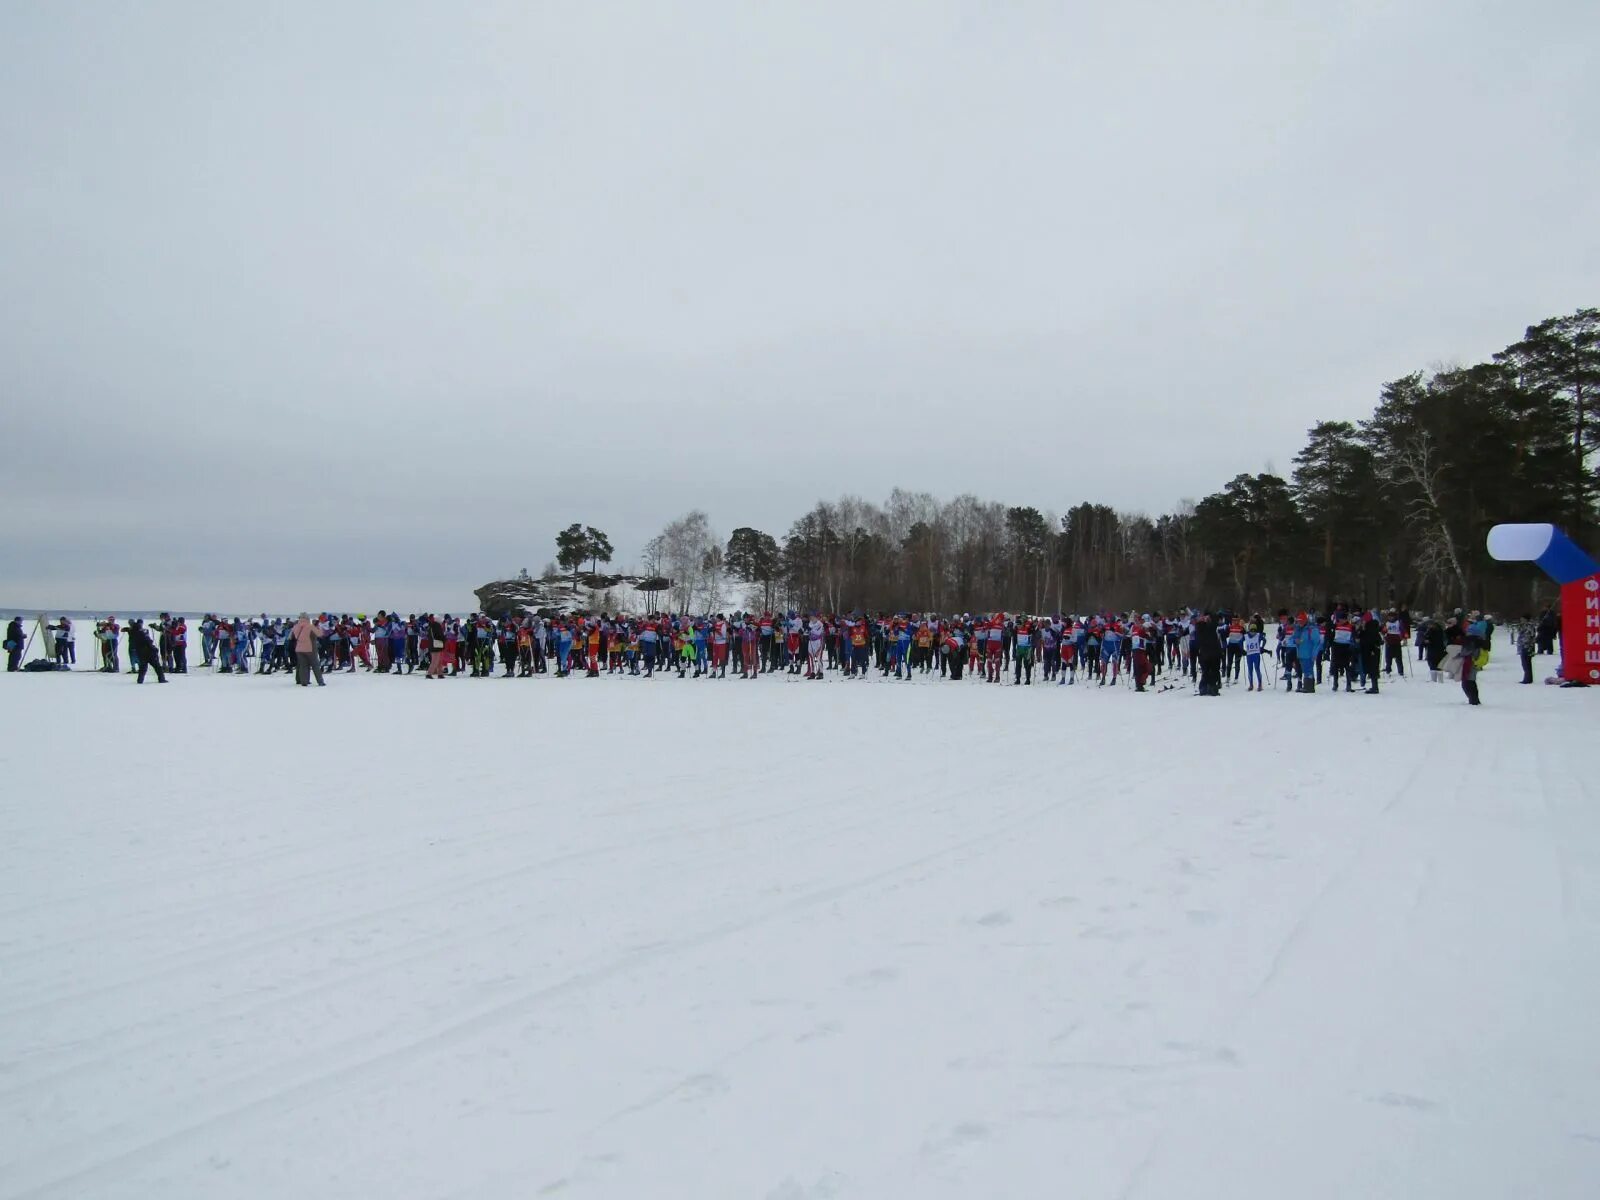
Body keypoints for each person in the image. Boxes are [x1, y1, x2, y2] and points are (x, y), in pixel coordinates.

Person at [290, 612, 325, 686]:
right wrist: (319, 627)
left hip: (299, 649)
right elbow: (320, 634)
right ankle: (320, 681)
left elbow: (291, 637)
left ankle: (304, 682)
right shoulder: (310, 626)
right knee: (315, 665)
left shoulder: (296, 626)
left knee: (303, 666)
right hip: (310, 648)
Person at [127, 618, 166, 683]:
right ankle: (161, 679)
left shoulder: (132, 634)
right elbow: (148, 642)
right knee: (157, 666)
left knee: (143, 667)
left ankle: (140, 680)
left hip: (141, 653)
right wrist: (154, 649)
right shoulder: (141, 633)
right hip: (149, 652)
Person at [1516, 613, 1537, 684]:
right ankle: (1528, 678)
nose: (1521, 620)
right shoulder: (1524, 626)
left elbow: (1529, 636)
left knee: (1526, 663)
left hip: (1528, 647)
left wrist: (1523, 642)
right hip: (1525, 646)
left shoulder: (1529, 626)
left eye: (1522, 619)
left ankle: (1527, 679)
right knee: (1525, 663)